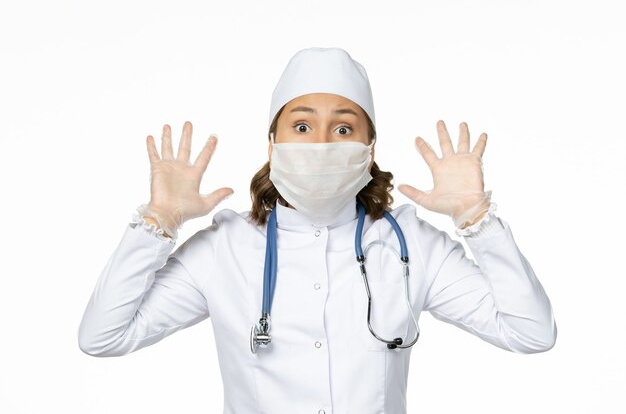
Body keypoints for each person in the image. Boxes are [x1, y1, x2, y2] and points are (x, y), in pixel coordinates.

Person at [78, 47, 557, 414]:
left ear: (370, 147)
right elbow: (103, 336)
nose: (322, 142)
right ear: (273, 143)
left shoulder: (411, 246)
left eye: (343, 129)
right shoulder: (224, 249)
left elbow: (530, 332)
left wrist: (477, 220)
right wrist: (157, 223)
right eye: (302, 127)